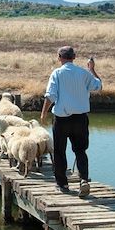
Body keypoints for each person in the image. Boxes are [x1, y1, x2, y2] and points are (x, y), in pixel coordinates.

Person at [40, 45, 102, 197]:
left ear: (59, 57)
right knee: (80, 150)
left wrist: (43, 114)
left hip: (61, 120)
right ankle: (84, 180)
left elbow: (51, 96)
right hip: (81, 118)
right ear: (74, 57)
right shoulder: (83, 73)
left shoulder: (57, 73)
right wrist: (92, 69)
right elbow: (98, 86)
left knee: (59, 151)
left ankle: (63, 184)